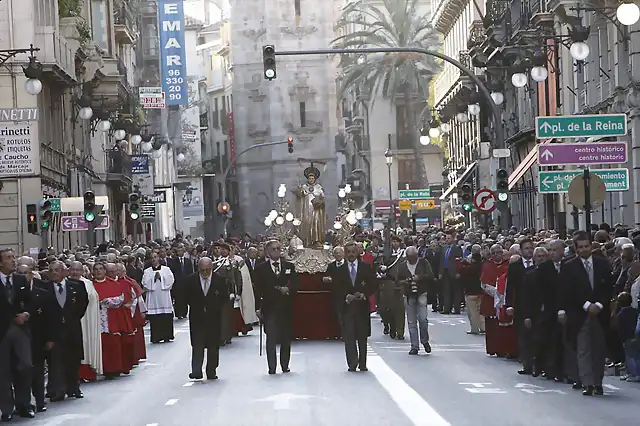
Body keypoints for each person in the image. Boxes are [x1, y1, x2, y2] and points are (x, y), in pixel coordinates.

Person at [558, 231, 614, 396]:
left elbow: (607, 287)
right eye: (580, 247)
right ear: (575, 248)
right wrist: (586, 305)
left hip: (600, 313)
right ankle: (587, 383)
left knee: (599, 348)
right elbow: (567, 291)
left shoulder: (602, 264)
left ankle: (598, 382)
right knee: (583, 349)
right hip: (579, 313)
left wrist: (598, 304)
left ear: (591, 246)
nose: (584, 249)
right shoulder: (568, 266)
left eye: (586, 246)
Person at [45, 261, 89, 402]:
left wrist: (73, 317)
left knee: (73, 358)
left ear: (65, 272)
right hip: (54, 330)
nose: (54, 273)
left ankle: (73, 387)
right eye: (51, 270)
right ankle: (58, 389)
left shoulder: (76, 286)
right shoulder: (45, 288)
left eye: (57, 270)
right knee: (56, 361)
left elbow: (83, 303)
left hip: (72, 328)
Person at [254, 240, 299, 374]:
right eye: (273, 249)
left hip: (286, 307)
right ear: (267, 251)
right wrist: (257, 307)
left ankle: (285, 364)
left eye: (278, 248)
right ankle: (272, 366)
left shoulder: (289, 266)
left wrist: (289, 288)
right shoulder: (261, 268)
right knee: (271, 338)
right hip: (269, 307)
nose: (276, 251)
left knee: (286, 337)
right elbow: (258, 288)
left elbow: (296, 283)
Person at [0, 249, 35, 421]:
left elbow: (30, 301)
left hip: (20, 329)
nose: (13, 261)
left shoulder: (21, 279)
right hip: (2, 331)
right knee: (3, 371)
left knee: (25, 366)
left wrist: (27, 314)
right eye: (8, 258)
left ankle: (25, 405)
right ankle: (6, 408)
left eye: (13, 257)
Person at [15, 263, 51, 413]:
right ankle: (22, 404)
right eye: (20, 272)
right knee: (21, 373)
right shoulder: (14, 291)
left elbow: (50, 317)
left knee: (37, 372)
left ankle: (40, 401)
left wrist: (50, 338)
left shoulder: (42, 291)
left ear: (31, 274)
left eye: (26, 272)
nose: (23, 276)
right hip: (19, 338)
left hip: (38, 337)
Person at [185, 257, 228, 380]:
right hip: (197, 317)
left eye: (207, 270)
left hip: (214, 317)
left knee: (213, 345)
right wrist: (195, 305)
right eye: (202, 270)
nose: (205, 273)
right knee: (197, 344)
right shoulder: (191, 280)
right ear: (199, 269)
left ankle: (211, 370)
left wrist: (215, 306)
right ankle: (196, 370)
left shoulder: (219, 280)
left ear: (212, 269)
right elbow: (185, 296)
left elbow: (224, 297)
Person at [336, 242, 375, 371]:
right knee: (349, 336)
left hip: (362, 307)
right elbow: (336, 288)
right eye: (348, 252)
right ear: (345, 254)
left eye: (353, 252)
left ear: (357, 253)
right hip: (347, 308)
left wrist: (364, 294)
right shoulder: (340, 270)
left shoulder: (365, 267)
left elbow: (373, 284)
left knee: (362, 337)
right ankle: (352, 363)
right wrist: (345, 296)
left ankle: (363, 363)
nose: (351, 254)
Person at [93, 262, 135, 378]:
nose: (98, 271)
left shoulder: (113, 283)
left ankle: (114, 368)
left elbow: (121, 298)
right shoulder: (90, 285)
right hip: (97, 319)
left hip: (112, 317)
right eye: (96, 269)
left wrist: (109, 301)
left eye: (101, 269)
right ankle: (103, 369)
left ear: (104, 271)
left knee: (113, 343)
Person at [504, 238, 536, 375]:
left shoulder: (539, 263)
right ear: (521, 251)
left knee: (536, 336)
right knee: (523, 336)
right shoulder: (515, 266)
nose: (529, 251)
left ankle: (537, 365)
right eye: (526, 248)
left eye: (531, 248)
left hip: (536, 305)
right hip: (521, 305)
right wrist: (509, 305)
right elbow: (510, 286)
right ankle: (527, 364)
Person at [395, 246, 434, 355]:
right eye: (410, 257)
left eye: (414, 256)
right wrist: (405, 282)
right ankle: (414, 346)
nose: (412, 259)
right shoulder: (402, 266)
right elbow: (397, 280)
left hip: (421, 293)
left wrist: (419, 277)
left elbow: (430, 275)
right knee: (411, 322)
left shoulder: (423, 263)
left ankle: (425, 340)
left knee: (423, 319)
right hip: (408, 295)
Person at [68, 261, 102, 383]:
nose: (75, 272)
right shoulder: (66, 283)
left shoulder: (87, 284)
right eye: (73, 270)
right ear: (69, 271)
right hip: (74, 321)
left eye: (77, 270)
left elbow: (93, 301)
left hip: (88, 320)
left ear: (82, 271)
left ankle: (88, 371)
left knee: (87, 343)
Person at [142, 252, 175, 343]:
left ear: (159, 258)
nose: (153, 259)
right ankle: (156, 337)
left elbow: (171, 280)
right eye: (152, 257)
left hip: (164, 296)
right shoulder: (147, 271)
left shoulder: (166, 269)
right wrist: (153, 279)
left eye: (155, 257)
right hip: (153, 297)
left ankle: (167, 336)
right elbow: (144, 283)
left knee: (165, 316)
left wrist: (161, 278)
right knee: (155, 318)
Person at [294, 163, 326, 247]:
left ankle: (316, 241)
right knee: (306, 224)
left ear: (315, 179)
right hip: (306, 210)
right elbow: (299, 195)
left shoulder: (319, 187)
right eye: (309, 178)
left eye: (312, 178)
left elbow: (322, 198)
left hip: (316, 210)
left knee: (316, 224)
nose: (311, 180)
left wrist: (320, 202)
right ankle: (306, 241)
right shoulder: (304, 187)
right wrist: (298, 188)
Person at [323, 246, 346, 336]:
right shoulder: (331, 266)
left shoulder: (347, 265)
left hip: (348, 293)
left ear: (343, 254)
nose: (338, 254)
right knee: (339, 314)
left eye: (340, 252)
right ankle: (342, 333)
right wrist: (326, 279)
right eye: (336, 253)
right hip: (336, 295)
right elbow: (325, 277)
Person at [439, 231, 463, 314]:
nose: (447, 240)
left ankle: (456, 309)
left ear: (453, 239)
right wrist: (440, 272)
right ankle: (447, 309)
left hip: (454, 272)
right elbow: (442, 261)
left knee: (456, 291)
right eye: (446, 238)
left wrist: (458, 272)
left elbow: (459, 261)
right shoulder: (444, 248)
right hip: (445, 272)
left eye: (449, 238)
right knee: (446, 291)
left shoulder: (457, 248)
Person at [169, 244, 192, 319]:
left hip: (186, 282)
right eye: (178, 251)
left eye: (181, 250)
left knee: (185, 298)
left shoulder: (188, 261)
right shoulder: (173, 261)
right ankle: (179, 313)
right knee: (178, 298)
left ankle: (184, 312)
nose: (180, 252)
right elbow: (172, 271)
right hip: (177, 283)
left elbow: (190, 271)